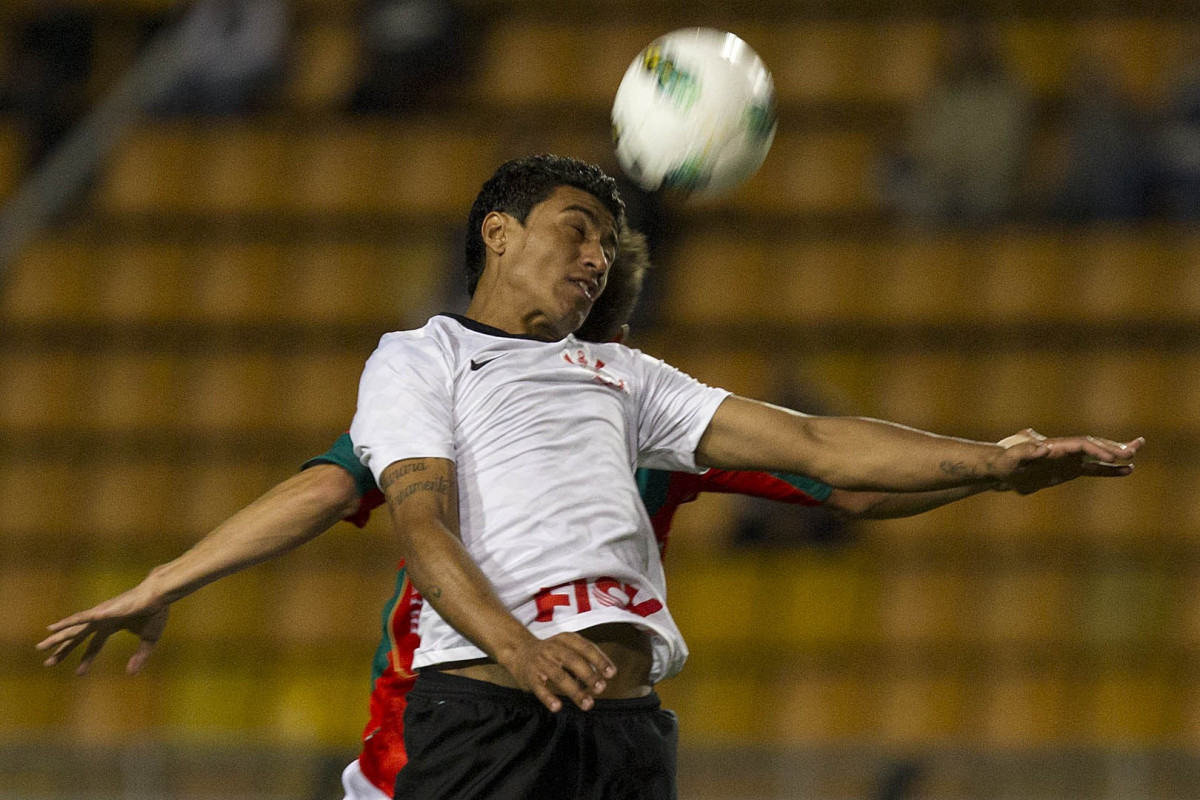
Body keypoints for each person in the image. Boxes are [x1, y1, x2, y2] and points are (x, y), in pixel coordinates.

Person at [37, 212, 1100, 798]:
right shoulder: (451, 385)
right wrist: (165, 577)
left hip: (583, 729)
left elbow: (845, 476)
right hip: (436, 739)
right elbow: (325, 486)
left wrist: (988, 465)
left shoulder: (647, 418)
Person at [344, 155, 1137, 797]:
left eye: (605, 246)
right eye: (576, 231)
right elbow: (422, 527)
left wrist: (994, 465)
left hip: (625, 734)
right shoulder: (423, 358)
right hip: (496, 716)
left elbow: (818, 443)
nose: (594, 257)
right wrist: (520, 651)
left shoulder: (626, 376)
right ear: (499, 232)